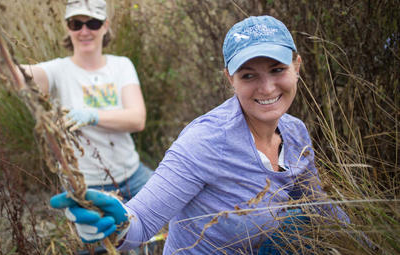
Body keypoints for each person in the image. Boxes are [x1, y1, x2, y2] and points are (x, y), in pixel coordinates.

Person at [50, 15, 350, 254]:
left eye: (277, 69)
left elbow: (314, 203)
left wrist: (363, 239)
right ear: (229, 80)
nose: (267, 87)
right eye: (248, 75)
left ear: (297, 67)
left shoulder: (296, 132)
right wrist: (116, 225)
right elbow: (140, 224)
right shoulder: (205, 143)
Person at [0, 0, 153, 201]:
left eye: (93, 23)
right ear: (68, 27)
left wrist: (92, 116)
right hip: (88, 184)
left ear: (105, 26)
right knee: (109, 232)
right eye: (76, 24)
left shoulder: (121, 65)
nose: (84, 31)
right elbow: (13, 74)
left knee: (172, 217)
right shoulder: (57, 71)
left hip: (134, 175)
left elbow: (137, 119)